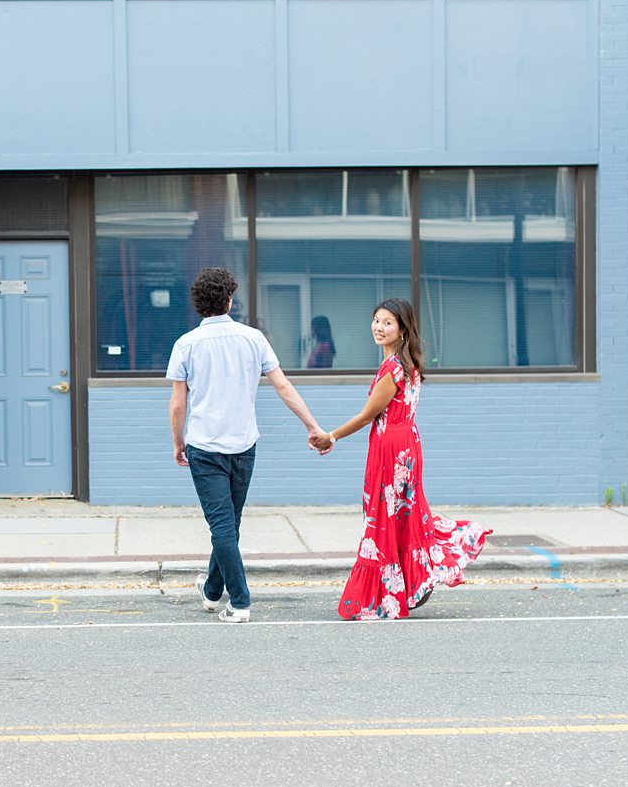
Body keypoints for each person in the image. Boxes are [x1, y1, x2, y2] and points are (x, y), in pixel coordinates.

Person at [309, 297, 490, 620]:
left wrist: (331, 436)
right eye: (376, 320)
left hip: (391, 449)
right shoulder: (409, 365)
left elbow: (368, 416)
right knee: (404, 516)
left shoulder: (393, 369)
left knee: (384, 518)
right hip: (406, 444)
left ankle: (391, 593)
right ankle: (413, 583)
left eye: (388, 322)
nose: (379, 327)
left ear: (403, 330)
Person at [168, 267, 326, 623]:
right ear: (229, 301)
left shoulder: (186, 345)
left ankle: (239, 602)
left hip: (205, 447)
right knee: (229, 524)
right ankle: (211, 592)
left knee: (223, 526)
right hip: (243, 445)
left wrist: (178, 442)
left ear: (198, 305)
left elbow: (179, 404)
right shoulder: (254, 338)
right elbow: (284, 387)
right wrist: (313, 426)